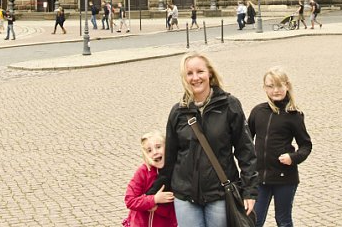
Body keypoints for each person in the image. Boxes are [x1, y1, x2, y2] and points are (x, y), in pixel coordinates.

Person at [161, 52, 258, 226]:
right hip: (185, 196)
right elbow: (170, 157)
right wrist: (157, 191)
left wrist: (250, 190)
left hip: (220, 193)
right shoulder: (178, 112)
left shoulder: (229, 105)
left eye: (200, 72)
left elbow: (246, 150)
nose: (195, 78)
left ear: (210, 73)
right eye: (189, 73)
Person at [248, 67, 313, 227]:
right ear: (264, 88)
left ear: (287, 86)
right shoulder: (258, 111)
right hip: (260, 178)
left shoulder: (294, 115)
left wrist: (293, 158)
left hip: (285, 178)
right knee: (254, 221)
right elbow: (246, 139)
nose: (275, 90)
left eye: (279, 85)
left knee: (283, 221)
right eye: (270, 86)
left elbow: (306, 145)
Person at [123, 131, 177, 227]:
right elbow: (130, 200)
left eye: (158, 147)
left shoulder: (175, 173)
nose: (155, 152)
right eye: (149, 150)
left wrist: (157, 208)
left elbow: (174, 211)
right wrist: (154, 199)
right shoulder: (142, 172)